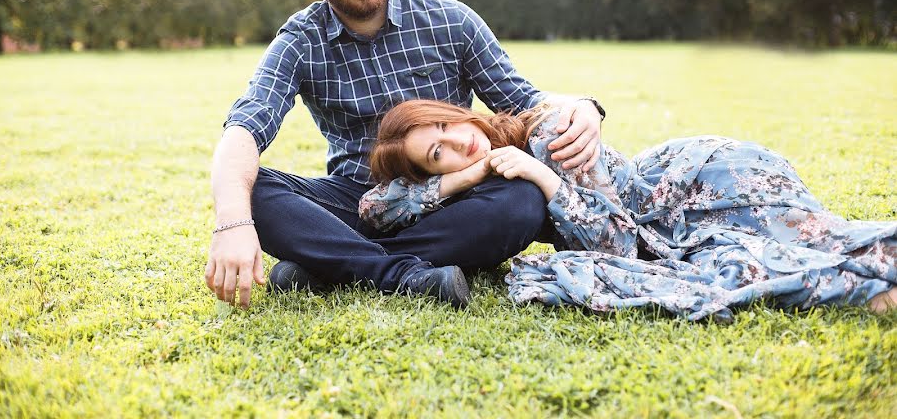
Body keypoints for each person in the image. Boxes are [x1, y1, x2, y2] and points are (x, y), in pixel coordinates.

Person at [204, 0, 607, 310]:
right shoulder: (300, 42)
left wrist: (583, 105)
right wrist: (232, 222)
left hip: (455, 198)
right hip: (357, 201)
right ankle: (401, 275)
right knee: (250, 187)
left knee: (520, 203)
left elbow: (521, 97)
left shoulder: (448, 19)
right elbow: (247, 126)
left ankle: (331, 266)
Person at [360, 100, 897, 320]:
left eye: (447, 127)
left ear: (455, 113)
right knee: (743, 256)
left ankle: (868, 280)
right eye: (437, 154)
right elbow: (375, 209)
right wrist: (462, 178)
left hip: (702, 183)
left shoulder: (545, 136)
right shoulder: (482, 174)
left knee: (783, 246)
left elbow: (618, 246)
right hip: (672, 212)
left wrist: (543, 177)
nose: (458, 144)